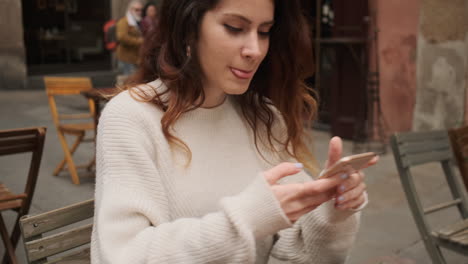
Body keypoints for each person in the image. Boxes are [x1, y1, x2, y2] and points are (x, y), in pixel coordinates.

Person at [91, 0, 378, 263]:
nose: (255, 50)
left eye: (264, 31)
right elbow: (123, 255)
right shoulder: (131, 117)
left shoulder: (265, 116)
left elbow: (298, 252)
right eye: (235, 28)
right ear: (189, 27)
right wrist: (246, 219)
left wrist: (332, 210)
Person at [115, 0, 144, 75]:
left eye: (141, 10)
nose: (139, 12)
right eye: (137, 9)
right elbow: (122, 37)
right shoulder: (124, 22)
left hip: (134, 59)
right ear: (130, 9)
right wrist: (140, 41)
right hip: (126, 58)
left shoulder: (137, 21)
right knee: (127, 82)